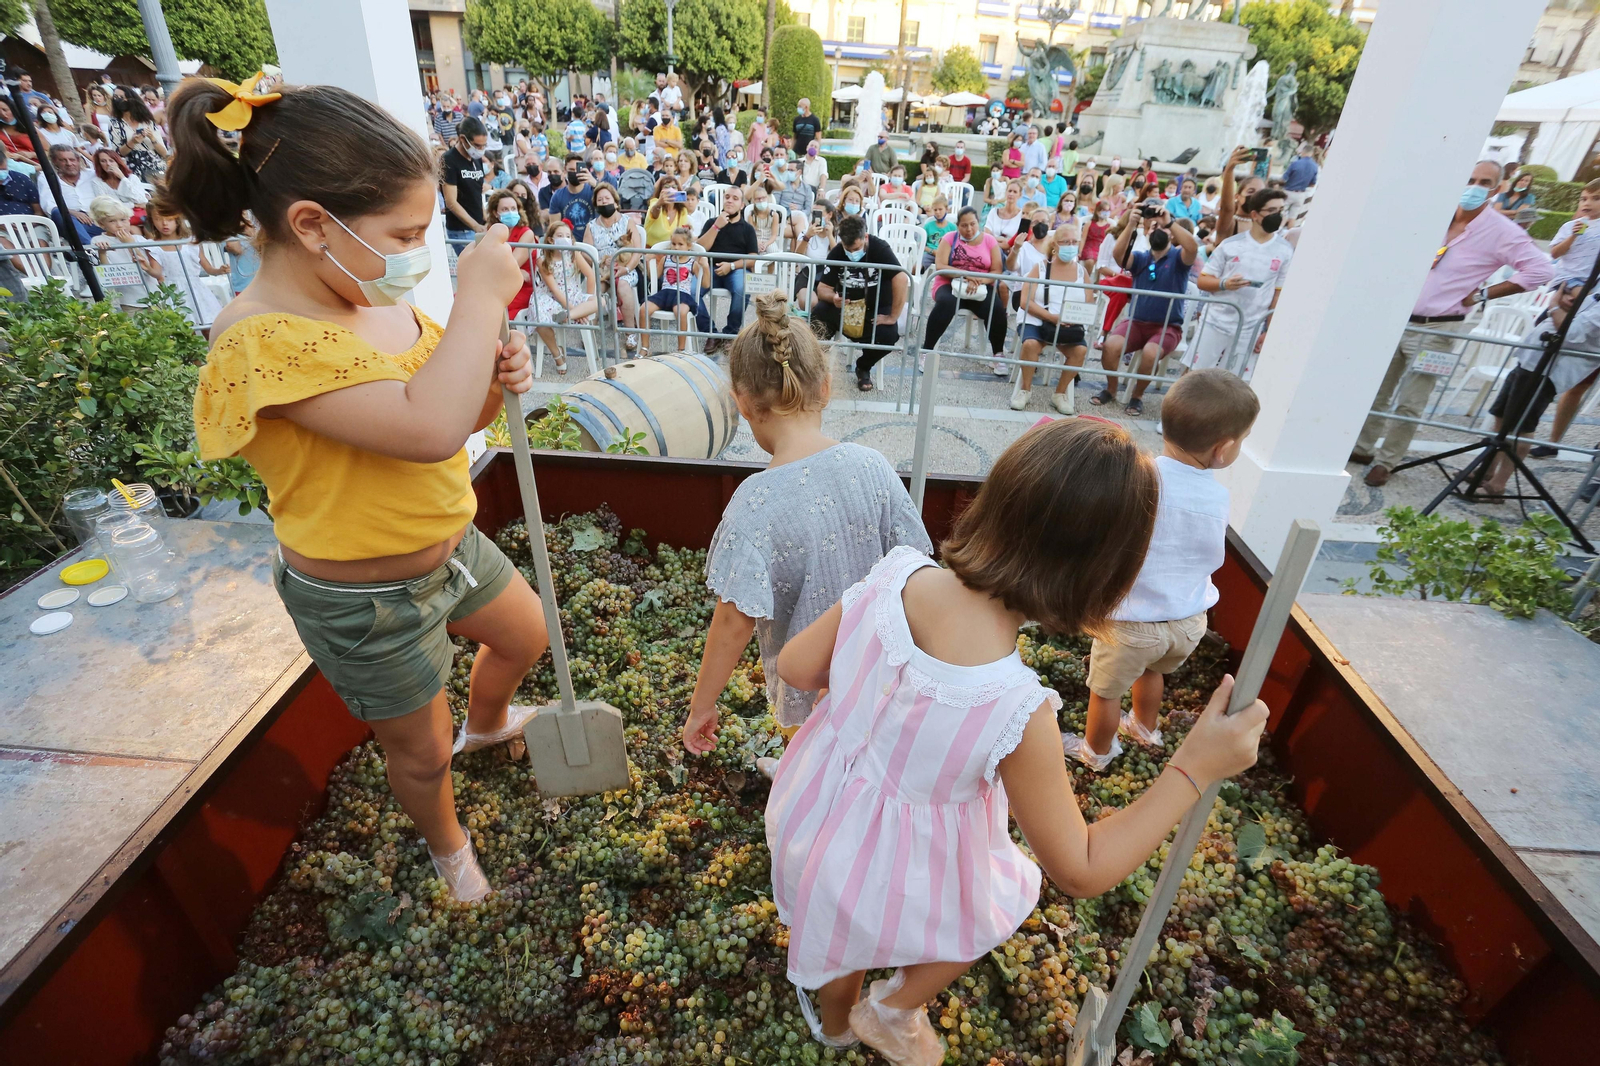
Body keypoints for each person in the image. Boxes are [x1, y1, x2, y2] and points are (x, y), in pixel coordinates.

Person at [766, 418, 1269, 1056]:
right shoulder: (1014, 707)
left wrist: (875, 693)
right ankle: (891, 1009)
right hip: (898, 866)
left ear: (997, 499)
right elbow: (1081, 869)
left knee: (840, 930)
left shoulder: (894, 573)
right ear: (1105, 575)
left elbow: (796, 669)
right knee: (991, 905)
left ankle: (836, 1031)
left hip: (813, 813)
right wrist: (1193, 768)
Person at [167, 78, 544, 902]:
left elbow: (453, 417)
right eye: (405, 233)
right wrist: (481, 300)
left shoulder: (371, 297)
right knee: (420, 750)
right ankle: (449, 850)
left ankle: (488, 726)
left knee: (524, 636)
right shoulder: (261, 340)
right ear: (312, 225)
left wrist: (490, 376)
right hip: (367, 600)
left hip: (454, 547)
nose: (420, 252)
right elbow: (424, 428)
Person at [684, 290, 930, 769]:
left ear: (741, 402)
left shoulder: (754, 502)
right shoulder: (873, 466)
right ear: (826, 387)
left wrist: (702, 705)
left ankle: (802, 793)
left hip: (805, 676)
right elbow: (916, 567)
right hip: (880, 670)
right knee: (868, 761)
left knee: (811, 757)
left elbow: (734, 620)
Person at [1065, 372, 1259, 770]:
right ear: (1223, 450)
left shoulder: (1138, 477)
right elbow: (1209, 556)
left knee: (1105, 692)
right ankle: (1145, 728)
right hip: (1187, 622)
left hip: (1131, 625)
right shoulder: (1218, 496)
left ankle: (1096, 754)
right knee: (1153, 672)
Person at [1351, 160, 1554, 486]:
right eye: (1470, 178)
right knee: (1376, 391)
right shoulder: (1435, 215)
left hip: (1441, 328)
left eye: (1484, 181)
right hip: (1396, 319)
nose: (1474, 186)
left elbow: (1541, 271)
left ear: (1497, 188)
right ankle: (1361, 448)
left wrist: (1485, 293)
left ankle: (1387, 460)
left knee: (1412, 402)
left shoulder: (1502, 230)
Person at [1480, 280, 1600, 497]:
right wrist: (1562, 304)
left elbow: (1570, 333)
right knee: (1500, 415)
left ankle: (1498, 483)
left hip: (1548, 370)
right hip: (1530, 360)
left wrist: (1554, 304)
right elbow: (1570, 310)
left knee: (1521, 427)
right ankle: (1486, 471)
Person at [1094, 198, 1199, 416]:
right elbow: (1118, 256)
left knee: (1151, 352)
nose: (1157, 229)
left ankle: (1137, 396)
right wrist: (1132, 224)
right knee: (1110, 345)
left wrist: (1169, 222)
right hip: (1136, 322)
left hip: (1168, 327)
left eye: (1161, 226)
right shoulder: (1142, 258)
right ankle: (1111, 389)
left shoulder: (1179, 257)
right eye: (1153, 226)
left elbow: (1192, 247)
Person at [1188, 187, 1294, 377]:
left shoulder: (1285, 251)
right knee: (1194, 376)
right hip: (1215, 322)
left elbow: (1277, 294)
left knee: (1232, 384)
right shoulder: (1231, 245)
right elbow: (1203, 281)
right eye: (1271, 211)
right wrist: (1224, 284)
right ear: (1254, 214)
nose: (1277, 215)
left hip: (1249, 329)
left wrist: (1268, 330)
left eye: (1280, 210)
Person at [810, 214, 908, 392]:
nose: (852, 253)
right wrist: (833, 298)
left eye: (856, 248)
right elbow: (822, 287)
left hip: (875, 308)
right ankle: (818, 368)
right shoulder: (838, 251)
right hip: (845, 307)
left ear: (865, 237)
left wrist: (893, 316)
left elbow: (901, 278)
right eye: (848, 249)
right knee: (817, 316)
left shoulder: (880, 248)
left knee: (888, 336)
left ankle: (863, 366)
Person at [923, 207, 1012, 376]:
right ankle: (926, 350)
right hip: (949, 282)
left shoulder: (989, 241)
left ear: (979, 223)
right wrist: (966, 276)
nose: (969, 229)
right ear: (958, 226)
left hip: (980, 286)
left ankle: (998, 355)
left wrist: (978, 280)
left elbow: (996, 270)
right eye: (964, 225)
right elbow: (941, 265)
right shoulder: (949, 238)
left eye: (972, 224)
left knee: (996, 308)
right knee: (946, 303)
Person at [1013, 226, 1092, 414]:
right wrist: (1051, 317)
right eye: (1066, 242)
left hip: (1068, 324)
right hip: (1037, 320)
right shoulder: (1040, 268)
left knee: (1080, 350)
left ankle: (1060, 393)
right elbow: (1024, 300)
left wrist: (1073, 319)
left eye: (1074, 242)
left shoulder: (1082, 272)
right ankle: (1025, 389)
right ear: (1056, 244)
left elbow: (1089, 303)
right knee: (1031, 344)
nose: (1071, 245)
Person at [142, 204, 226, 328]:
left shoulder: (190, 242)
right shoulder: (153, 246)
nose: (164, 223)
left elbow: (208, 268)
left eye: (169, 219)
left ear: (177, 219)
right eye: (158, 219)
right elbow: (157, 272)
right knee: (184, 330)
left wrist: (219, 270)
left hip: (196, 290)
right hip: (173, 292)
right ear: (152, 221)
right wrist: (147, 268)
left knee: (209, 326)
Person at [696, 185, 758, 352]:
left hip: (736, 269)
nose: (730, 200)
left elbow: (753, 258)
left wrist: (731, 266)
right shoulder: (712, 222)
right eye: (727, 197)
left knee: (741, 287)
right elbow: (701, 248)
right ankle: (711, 334)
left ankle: (731, 333)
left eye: (735, 198)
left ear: (742, 205)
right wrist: (716, 226)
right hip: (710, 269)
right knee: (690, 290)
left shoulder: (747, 229)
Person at [531, 218, 597, 372]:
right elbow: (554, 289)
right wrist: (577, 310)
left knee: (600, 301)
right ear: (550, 239)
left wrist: (587, 300)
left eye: (568, 236)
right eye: (560, 236)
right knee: (539, 317)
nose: (565, 239)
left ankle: (568, 315)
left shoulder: (574, 253)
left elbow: (591, 275)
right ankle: (557, 355)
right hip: (549, 296)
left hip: (573, 294)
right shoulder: (543, 259)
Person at [585, 183, 645, 350]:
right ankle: (590, 332)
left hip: (625, 268)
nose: (604, 202)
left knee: (624, 286)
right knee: (595, 288)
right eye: (600, 200)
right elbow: (586, 253)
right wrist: (599, 262)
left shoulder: (628, 222)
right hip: (602, 269)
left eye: (607, 198)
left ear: (615, 201)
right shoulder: (591, 226)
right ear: (596, 204)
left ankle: (630, 333)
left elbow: (637, 251)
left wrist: (625, 269)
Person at [643, 226, 710, 354]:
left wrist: (705, 267)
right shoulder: (666, 259)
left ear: (689, 246)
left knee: (681, 311)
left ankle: (681, 350)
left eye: (681, 244)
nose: (676, 247)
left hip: (682, 294)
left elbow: (706, 284)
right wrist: (648, 262)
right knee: (643, 309)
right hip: (665, 292)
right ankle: (644, 347)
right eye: (673, 244)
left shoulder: (692, 262)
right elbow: (654, 277)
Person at [88, 195, 160, 305]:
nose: (120, 225)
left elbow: (147, 266)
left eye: (123, 220)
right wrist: (102, 252)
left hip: (152, 295)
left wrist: (130, 244)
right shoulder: (98, 241)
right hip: (128, 300)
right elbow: (106, 274)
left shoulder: (138, 239)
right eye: (112, 221)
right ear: (102, 224)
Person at [38, 144, 109, 241]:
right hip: (69, 219)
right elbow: (48, 204)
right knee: (59, 213)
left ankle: (90, 249)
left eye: (72, 160)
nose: (69, 163)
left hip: (96, 220)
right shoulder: (47, 177)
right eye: (63, 160)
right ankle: (91, 251)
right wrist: (72, 212)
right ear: (55, 162)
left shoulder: (92, 174)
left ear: (78, 160)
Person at [487, 190, 535, 319]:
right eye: (505, 209)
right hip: (497, 283)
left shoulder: (526, 233)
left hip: (520, 287)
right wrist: (517, 271)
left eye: (513, 208)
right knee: (460, 299)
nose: (510, 212)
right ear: (495, 213)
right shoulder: (491, 232)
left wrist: (515, 270)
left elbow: (511, 264)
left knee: (490, 306)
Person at [441, 116, 489, 241]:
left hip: (479, 226)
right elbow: (451, 202)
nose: (481, 150)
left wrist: (485, 218)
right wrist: (475, 226)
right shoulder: (449, 160)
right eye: (477, 146)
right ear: (463, 139)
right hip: (461, 230)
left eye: (484, 146)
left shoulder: (476, 159)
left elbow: (476, 194)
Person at [107, 89, 169, 182]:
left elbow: (164, 153)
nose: (118, 100)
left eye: (121, 97)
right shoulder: (114, 124)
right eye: (115, 97)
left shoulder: (147, 121)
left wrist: (152, 137)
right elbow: (118, 153)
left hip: (156, 166)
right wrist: (132, 142)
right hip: (133, 168)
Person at [549, 154, 596, 235]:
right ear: (565, 171)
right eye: (571, 169)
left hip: (592, 240)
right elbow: (554, 227)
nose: (574, 173)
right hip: (569, 242)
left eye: (577, 170)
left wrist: (595, 184)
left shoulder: (593, 191)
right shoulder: (557, 196)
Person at [1281, 142, 1319, 223]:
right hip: (1301, 194)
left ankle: (1277, 232)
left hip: (1288, 191)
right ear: (1312, 153)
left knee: (1282, 214)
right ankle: (1288, 234)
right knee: (1293, 218)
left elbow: (1284, 178)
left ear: (1303, 152)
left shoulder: (1295, 163)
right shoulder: (1315, 166)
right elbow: (1313, 184)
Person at [0, 144, 40, 218]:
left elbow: (38, 210)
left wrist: (32, 224)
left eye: (3, 169)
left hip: (31, 223)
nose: (2, 173)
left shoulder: (21, 178)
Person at [984, 179, 1025, 243]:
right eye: (1010, 191)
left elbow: (1021, 240)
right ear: (1006, 192)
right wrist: (1001, 240)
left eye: (1015, 192)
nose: (1011, 194)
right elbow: (986, 234)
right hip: (992, 247)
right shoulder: (993, 212)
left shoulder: (1023, 216)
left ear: (1020, 195)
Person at [920, 195, 955, 268]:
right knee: (918, 267)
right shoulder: (928, 226)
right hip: (930, 254)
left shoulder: (952, 228)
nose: (938, 212)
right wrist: (932, 251)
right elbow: (921, 244)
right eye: (935, 210)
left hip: (945, 256)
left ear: (946, 209)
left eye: (940, 209)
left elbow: (955, 245)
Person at [0, 98, 39, 164]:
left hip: (40, 167)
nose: (3, 114)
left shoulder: (30, 128)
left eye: (5, 110)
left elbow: (48, 152)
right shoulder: (1, 133)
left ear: (13, 109)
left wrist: (32, 154)